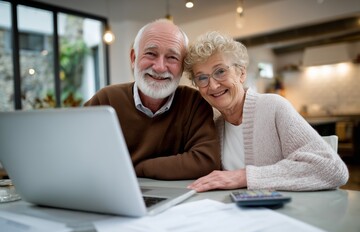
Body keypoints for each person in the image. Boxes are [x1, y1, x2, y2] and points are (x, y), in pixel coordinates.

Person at [184, 31, 349, 192]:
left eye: (220, 71)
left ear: (241, 73)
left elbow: (333, 169)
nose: (212, 85)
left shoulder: (273, 107)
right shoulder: (213, 123)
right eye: (202, 78)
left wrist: (245, 177)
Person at [84, 19, 221, 180]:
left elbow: (206, 161)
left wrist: (139, 168)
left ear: (182, 67)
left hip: (174, 199)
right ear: (134, 58)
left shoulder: (193, 102)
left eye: (172, 57)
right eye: (151, 54)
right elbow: (76, 152)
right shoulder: (106, 99)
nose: (160, 67)